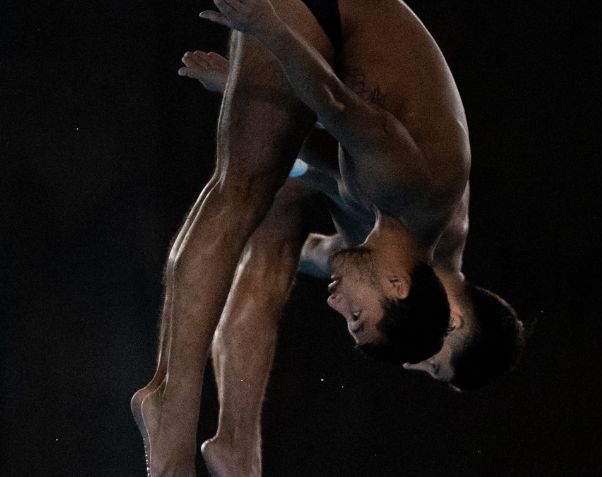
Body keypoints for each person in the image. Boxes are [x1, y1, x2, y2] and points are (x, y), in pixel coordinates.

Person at [131, 1, 523, 476]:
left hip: (331, 72)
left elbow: (331, 182)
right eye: (436, 362)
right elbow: (337, 104)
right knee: (246, 197)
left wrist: (246, 92)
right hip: (327, 39)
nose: (336, 305)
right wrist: (269, 31)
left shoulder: (391, 232)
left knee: (257, 206)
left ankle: (222, 434)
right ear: (449, 318)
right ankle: (182, 409)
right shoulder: (421, 198)